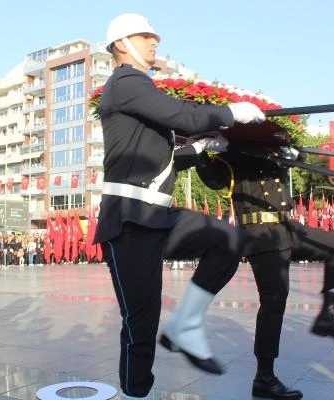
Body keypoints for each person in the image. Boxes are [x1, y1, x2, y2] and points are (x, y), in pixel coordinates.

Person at [94, 13, 266, 399]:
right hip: (130, 219)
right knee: (140, 321)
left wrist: (201, 148)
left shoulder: (138, 88)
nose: (155, 42)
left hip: (159, 215)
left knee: (227, 240)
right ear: (122, 44)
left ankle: (185, 322)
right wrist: (229, 113)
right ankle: (135, 392)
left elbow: (163, 150)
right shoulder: (126, 82)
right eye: (145, 36)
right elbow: (179, 115)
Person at [196, 146, 334, 400]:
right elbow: (214, 180)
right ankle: (264, 377)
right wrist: (203, 150)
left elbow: (298, 159)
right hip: (260, 234)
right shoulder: (232, 157)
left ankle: (327, 316)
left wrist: (292, 152)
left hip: (287, 229)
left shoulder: (272, 153)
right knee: (274, 301)